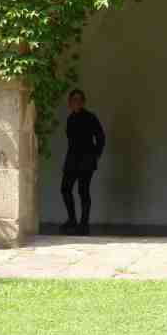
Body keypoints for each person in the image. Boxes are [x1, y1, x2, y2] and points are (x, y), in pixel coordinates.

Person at [60, 89, 105, 235]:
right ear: (70, 103)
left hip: (86, 159)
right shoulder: (70, 118)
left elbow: (101, 137)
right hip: (72, 159)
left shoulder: (91, 117)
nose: (76, 102)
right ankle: (72, 219)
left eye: (79, 99)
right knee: (65, 188)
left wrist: (96, 155)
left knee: (83, 191)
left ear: (83, 102)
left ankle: (84, 223)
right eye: (74, 99)